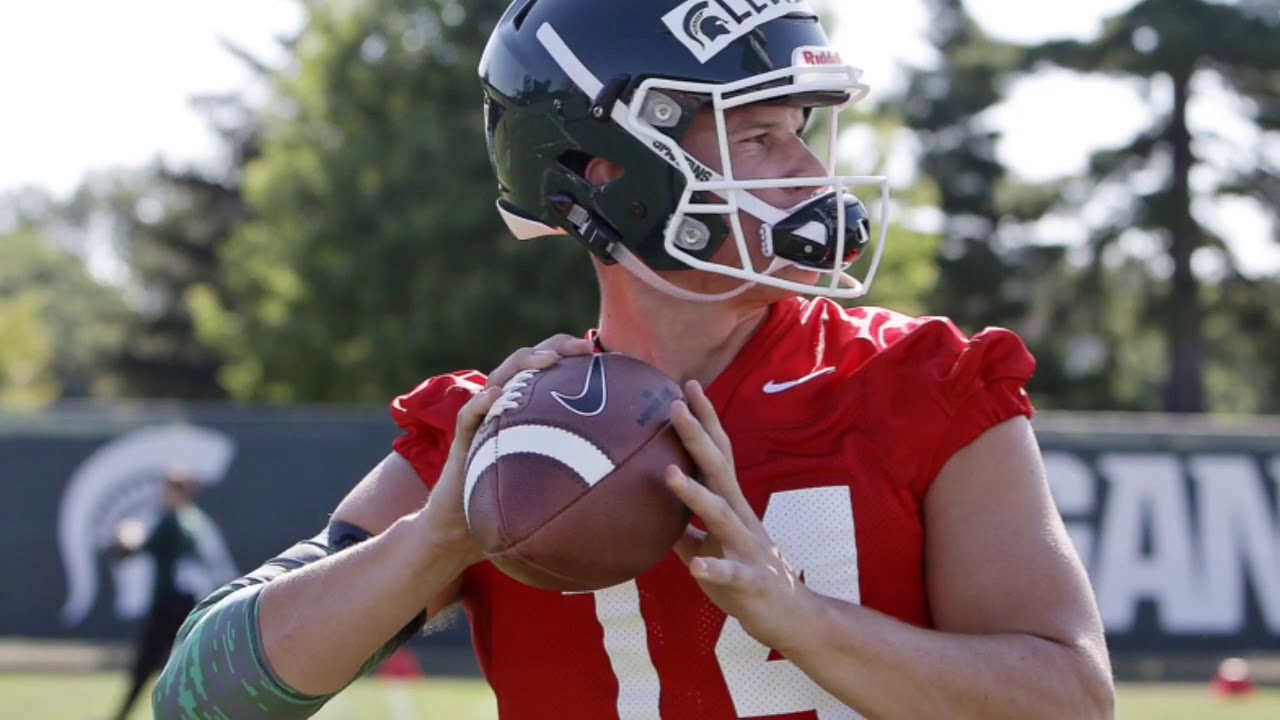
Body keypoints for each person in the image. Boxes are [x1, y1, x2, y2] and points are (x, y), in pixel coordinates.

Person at [153, 0, 1115, 717]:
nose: (813, 174)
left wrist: (802, 619)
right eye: (762, 137)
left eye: (804, 134)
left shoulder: (926, 384)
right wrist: (435, 541)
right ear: (609, 169)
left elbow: (1072, 699)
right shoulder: (496, 429)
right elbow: (201, 698)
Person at [107, 467, 209, 720]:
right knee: (184, 667)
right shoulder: (192, 519)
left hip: (169, 605)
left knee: (146, 665)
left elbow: (132, 549)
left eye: (166, 490)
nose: (162, 496)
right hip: (187, 603)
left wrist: (127, 536)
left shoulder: (172, 521)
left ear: (176, 492)